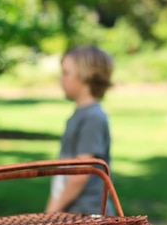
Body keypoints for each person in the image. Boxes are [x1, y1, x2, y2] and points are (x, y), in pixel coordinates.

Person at [45, 45, 116, 215]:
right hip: (72, 210)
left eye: (66, 73)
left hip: (88, 215)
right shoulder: (80, 115)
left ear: (86, 76)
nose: (61, 79)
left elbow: (80, 174)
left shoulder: (92, 118)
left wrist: (51, 212)